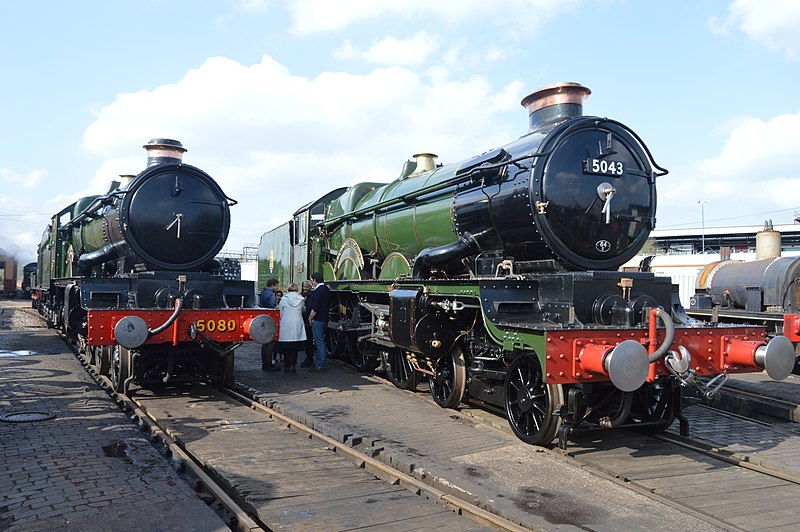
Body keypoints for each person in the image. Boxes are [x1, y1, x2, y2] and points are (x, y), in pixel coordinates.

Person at [277, 283, 306, 374]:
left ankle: (286, 366)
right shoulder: (301, 300)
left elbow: (280, 312)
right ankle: (293, 366)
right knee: (295, 348)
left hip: (286, 324)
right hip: (297, 323)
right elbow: (303, 310)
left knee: (286, 348)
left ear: (288, 289)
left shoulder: (284, 299)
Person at [307, 272, 331, 372]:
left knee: (319, 341)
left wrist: (310, 318)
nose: (311, 282)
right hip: (325, 318)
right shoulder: (326, 290)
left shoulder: (318, 291)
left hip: (318, 319)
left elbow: (315, 308)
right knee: (321, 341)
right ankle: (321, 363)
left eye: (312, 280)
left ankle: (320, 365)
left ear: (315, 280)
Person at [259, 278, 279, 371]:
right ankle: (268, 364)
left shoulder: (263, 292)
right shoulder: (271, 295)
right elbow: (272, 306)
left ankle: (264, 363)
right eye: (276, 285)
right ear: (272, 285)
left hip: (263, 317)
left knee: (264, 343)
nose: (277, 287)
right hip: (271, 318)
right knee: (271, 342)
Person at [299, 280, 315, 368]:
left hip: (308, 320)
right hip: (304, 319)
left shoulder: (312, 295)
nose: (305, 288)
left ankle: (309, 358)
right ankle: (308, 358)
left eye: (307, 286)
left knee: (309, 340)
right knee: (307, 340)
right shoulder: (301, 295)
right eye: (304, 286)